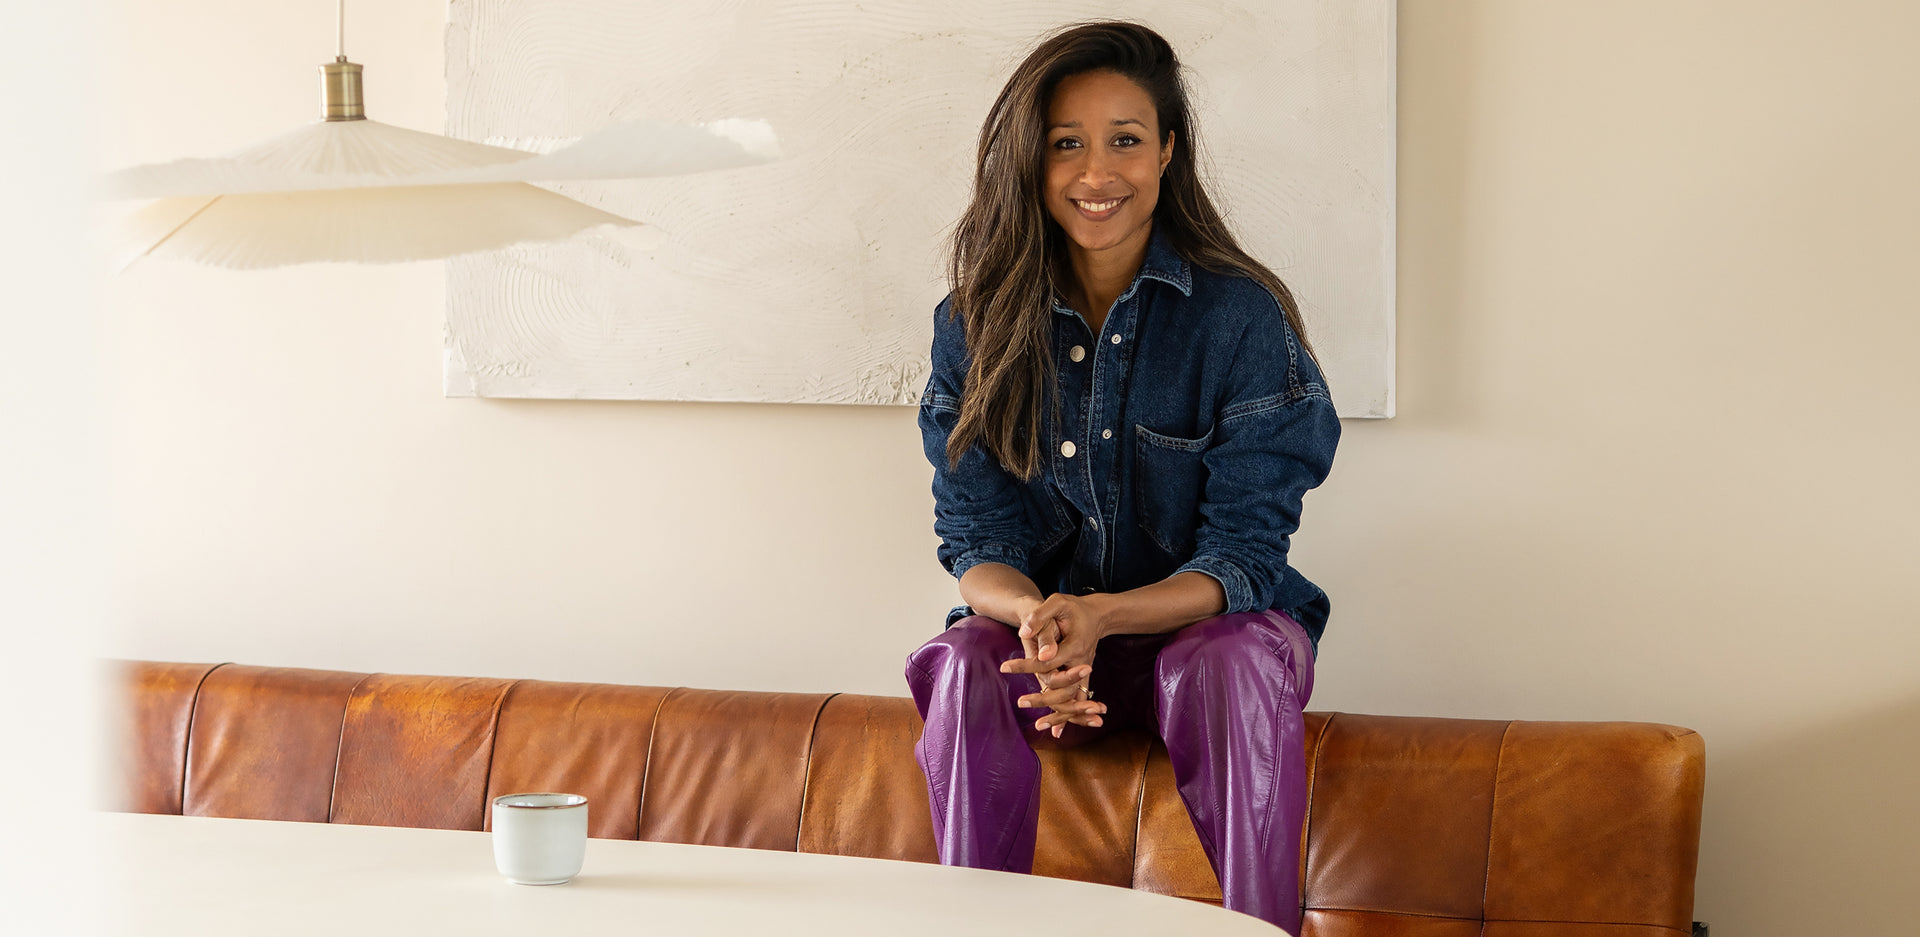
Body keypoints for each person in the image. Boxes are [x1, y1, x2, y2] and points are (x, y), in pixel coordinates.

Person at [903, 21, 1341, 935]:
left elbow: (1243, 558)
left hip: (1217, 645)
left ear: (1168, 151)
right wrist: (1040, 622)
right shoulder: (974, 321)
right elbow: (976, 541)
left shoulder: (1240, 316)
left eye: (1125, 140)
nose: (1096, 172)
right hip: (1056, 653)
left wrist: (1102, 614)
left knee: (1222, 660)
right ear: (1031, 160)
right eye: (1066, 143)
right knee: (968, 657)